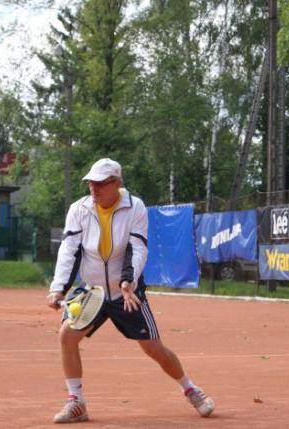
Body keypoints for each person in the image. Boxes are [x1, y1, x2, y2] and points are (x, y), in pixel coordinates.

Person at [46, 158, 214, 424]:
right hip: (92, 290)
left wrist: (128, 282)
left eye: (100, 183)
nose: (93, 188)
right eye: (90, 183)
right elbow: (69, 250)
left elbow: (137, 248)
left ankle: (191, 389)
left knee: (154, 349)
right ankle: (76, 402)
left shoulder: (135, 207)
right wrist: (58, 289)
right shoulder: (79, 209)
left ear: (116, 183)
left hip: (127, 292)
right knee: (67, 336)